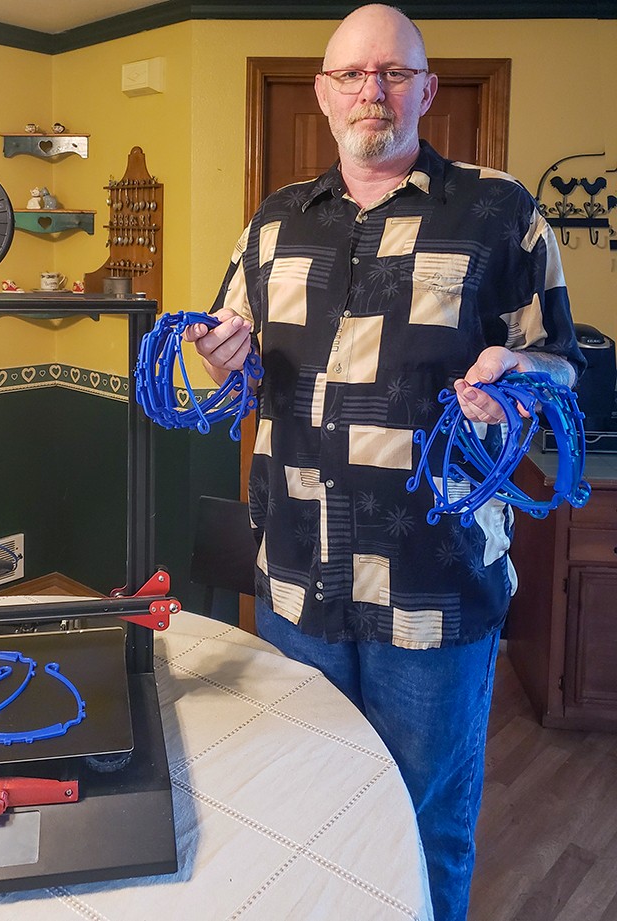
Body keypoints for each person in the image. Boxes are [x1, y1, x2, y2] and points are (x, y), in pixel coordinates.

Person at [185, 5, 584, 919]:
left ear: (427, 90)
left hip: (434, 584)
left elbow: (565, 360)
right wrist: (218, 361)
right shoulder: (274, 222)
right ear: (325, 92)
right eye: (355, 73)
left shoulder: (499, 211)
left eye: (395, 73)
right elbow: (234, 365)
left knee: (427, 818)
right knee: (311, 807)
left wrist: (524, 373)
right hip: (298, 579)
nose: (375, 89)